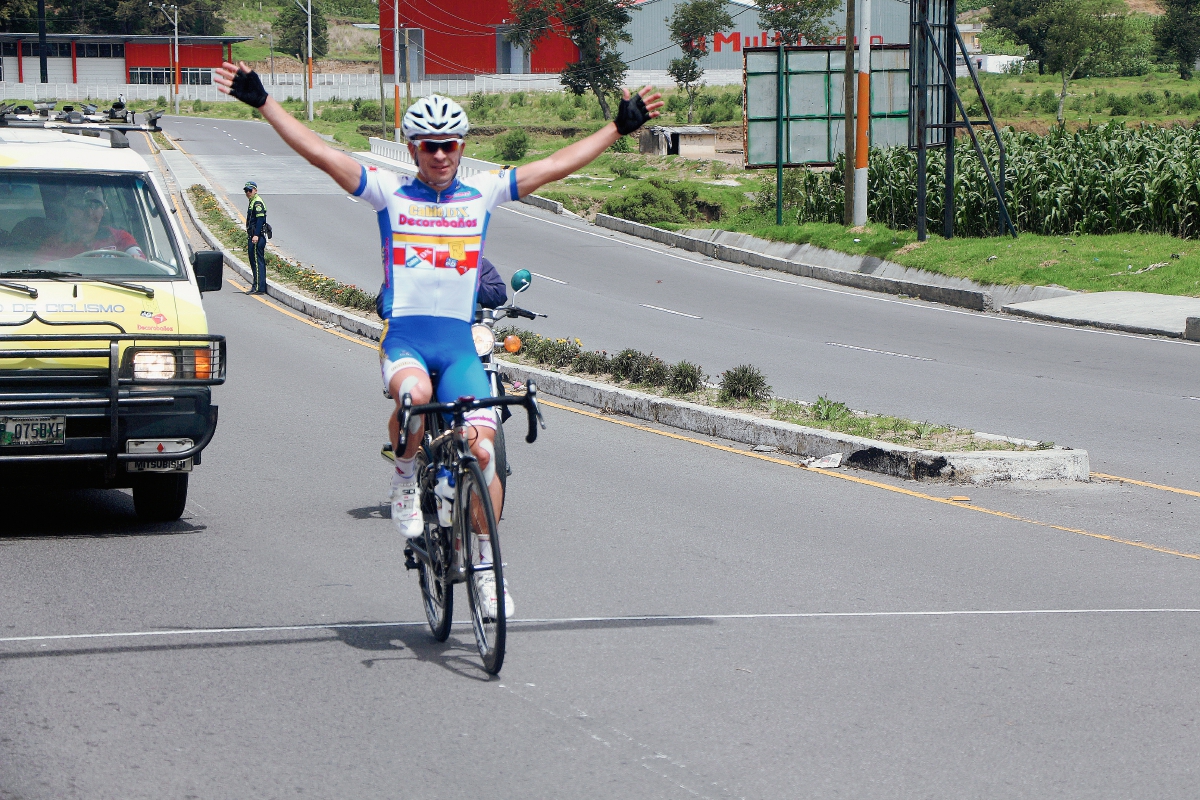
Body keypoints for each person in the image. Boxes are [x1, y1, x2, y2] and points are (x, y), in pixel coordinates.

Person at [214, 61, 661, 616]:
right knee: (415, 396)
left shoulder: (482, 193)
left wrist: (617, 128)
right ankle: (405, 476)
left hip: (458, 346)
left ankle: (486, 570)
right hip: (406, 337)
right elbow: (321, 154)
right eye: (430, 146)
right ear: (412, 148)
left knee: (484, 449)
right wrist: (265, 103)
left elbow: (552, 165)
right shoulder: (388, 193)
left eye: (450, 145)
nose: (441, 156)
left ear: (462, 146)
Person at [36, 186, 146, 262]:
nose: (89, 213)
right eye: (81, 206)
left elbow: (142, 264)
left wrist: (136, 261)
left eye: (95, 206)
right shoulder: (53, 245)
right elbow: (41, 278)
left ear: (103, 210)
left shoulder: (120, 237)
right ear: (68, 210)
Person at [244, 181, 269, 294]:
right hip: (253, 236)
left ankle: (259, 287)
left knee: (257, 262)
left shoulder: (257, 202)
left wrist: (256, 235)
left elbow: (260, 220)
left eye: (250, 190)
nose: (248, 192)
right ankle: (256, 286)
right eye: (246, 190)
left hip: (256, 237)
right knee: (254, 261)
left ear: (255, 190)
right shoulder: (252, 201)